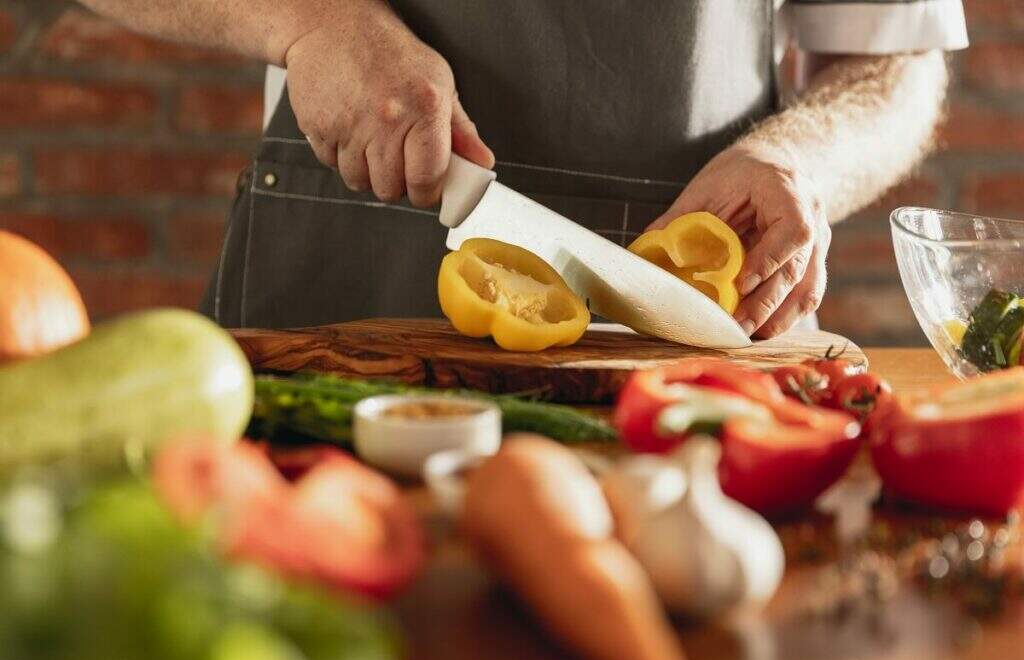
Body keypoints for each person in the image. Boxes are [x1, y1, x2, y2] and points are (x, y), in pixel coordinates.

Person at [79, 0, 967, 338]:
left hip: (683, 360)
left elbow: (895, 60)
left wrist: (796, 157)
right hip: (331, 317)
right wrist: (308, 20)